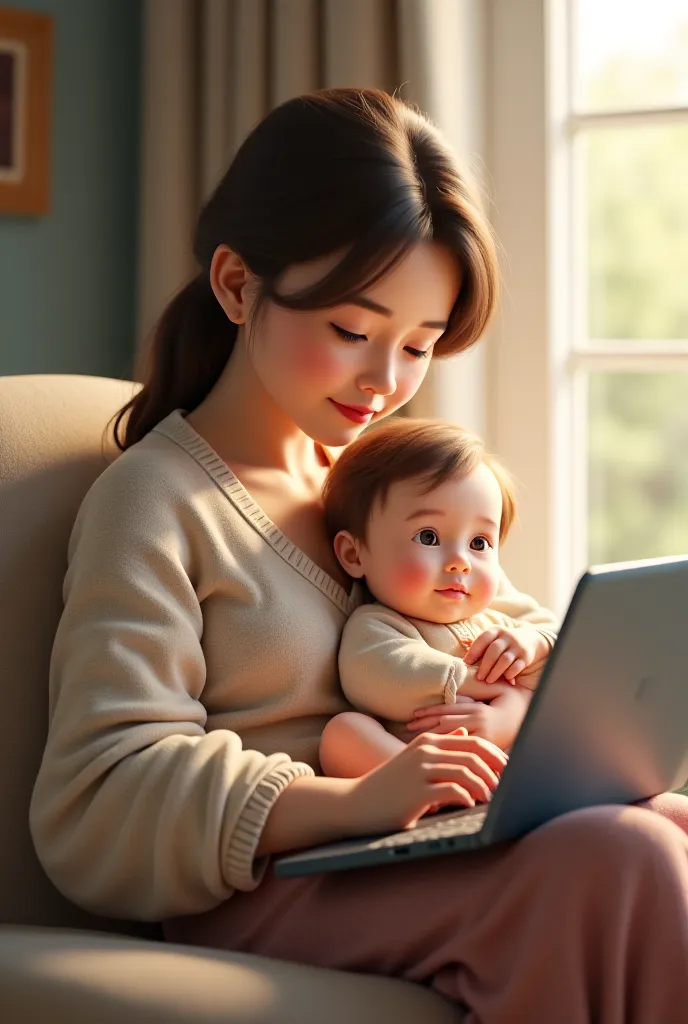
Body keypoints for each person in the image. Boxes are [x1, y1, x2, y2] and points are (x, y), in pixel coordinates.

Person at [29, 87, 688, 1022]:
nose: (385, 382)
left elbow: (504, 620)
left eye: (419, 346)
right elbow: (100, 793)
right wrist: (353, 801)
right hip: (275, 877)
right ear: (235, 284)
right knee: (623, 861)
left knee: (665, 827)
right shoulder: (155, 501)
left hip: (428, 836)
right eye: (351, 332)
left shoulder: (384, 482)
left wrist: (528, 671)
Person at [319, 417, 557, 777]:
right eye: (428, 537)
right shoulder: (378, 624)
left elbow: (564, 660)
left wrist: (532, 649)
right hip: (418, 763)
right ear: (355, 555)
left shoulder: (498, 622)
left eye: (480, 543)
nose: (461, 562)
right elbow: (383, 676)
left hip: (509, 770)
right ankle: (433, 783)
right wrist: (500, 686)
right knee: (344, 733)